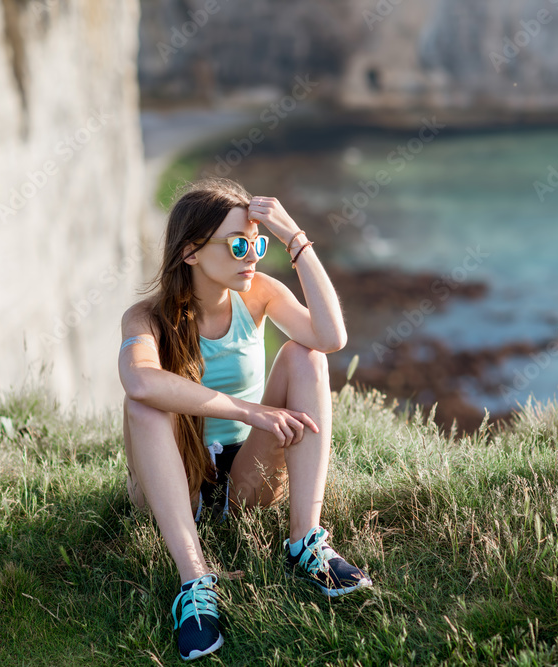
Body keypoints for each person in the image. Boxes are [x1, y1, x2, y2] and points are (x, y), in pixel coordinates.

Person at [118, 177, 372, 661]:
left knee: (306, 358)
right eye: (238, 245)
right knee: (142, 405)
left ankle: (305, 542)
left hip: (245, 476)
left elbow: (330, 336)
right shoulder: (145, 319)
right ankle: (194, 582)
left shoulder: (259, 293)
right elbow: (141, 381)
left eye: (255, 243)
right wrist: (249, 409)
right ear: (191, 252)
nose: (252, 256)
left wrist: (294, 239)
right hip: (178, 474)